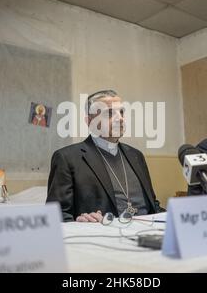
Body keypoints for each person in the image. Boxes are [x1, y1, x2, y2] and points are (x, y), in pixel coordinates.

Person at [46, 89, 163, 222]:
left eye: (122, 112)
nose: (120, 118)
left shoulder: (136, 156)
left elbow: (154, 206)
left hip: (148, 234)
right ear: (90, 121)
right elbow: (57, 215)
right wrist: (80, 223)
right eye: (109, 113)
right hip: (105, 238)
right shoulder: (67, 158)